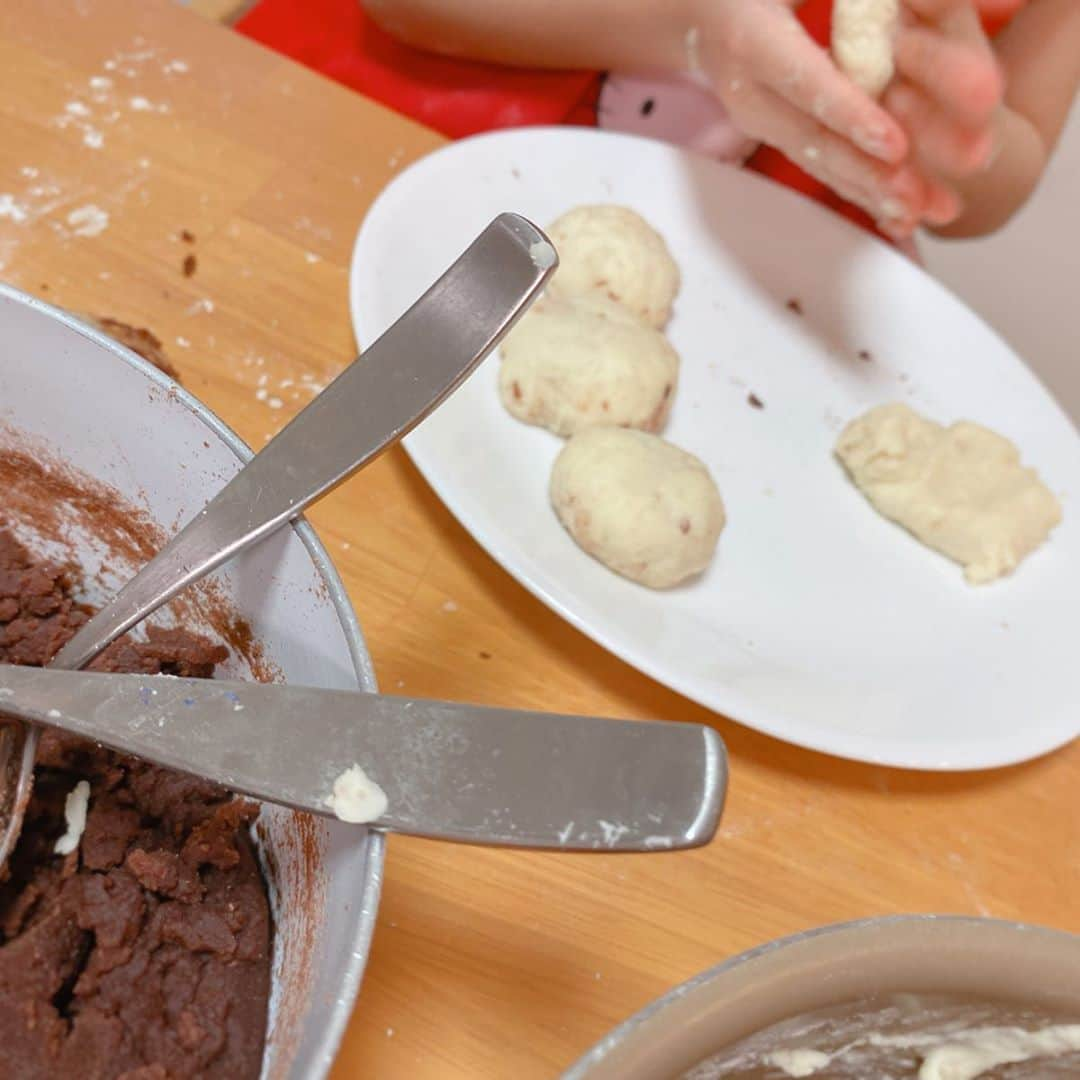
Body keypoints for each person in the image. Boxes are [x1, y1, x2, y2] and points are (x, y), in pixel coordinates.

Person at [353, 0, 1079, 240]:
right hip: (404, 147)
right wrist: (691, 31)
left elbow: (1010, 165)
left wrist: (948, 140)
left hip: (753, 288)